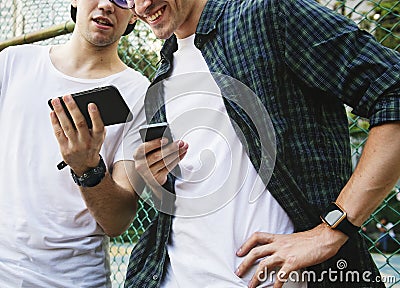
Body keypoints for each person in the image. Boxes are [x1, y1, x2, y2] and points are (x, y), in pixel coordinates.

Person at [125, 0, 400, 287]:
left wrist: (332, 228)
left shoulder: (268, 13)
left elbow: (393, 88)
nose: (140, 5)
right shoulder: (161, 77)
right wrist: (156, 179)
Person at [0, 0, 149, 286]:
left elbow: (117, 221)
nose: (106, 5)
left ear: (133, 16)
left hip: (72, 279)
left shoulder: (141, 94)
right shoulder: (12, 63)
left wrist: (88, 168)